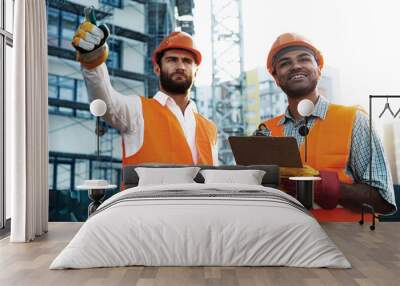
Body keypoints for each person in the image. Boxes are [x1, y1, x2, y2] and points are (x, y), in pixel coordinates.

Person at [257, 32, 396, 214]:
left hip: (344, 239)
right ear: (276, 78)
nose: (295, 66)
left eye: (304, 59)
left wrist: (324, 186)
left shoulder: (354, 121)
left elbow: (382, 201)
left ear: (319, 69)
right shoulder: (265, 132)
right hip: (283, 239)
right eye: (285, 63)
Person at [71, 19, 218, 170]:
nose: (180, 66)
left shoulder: (209, 128)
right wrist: (93, 62)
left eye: (187, 61)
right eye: (172, 60)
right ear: (157, 69)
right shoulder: (136, 111)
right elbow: (105, 102)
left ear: (196, 71)